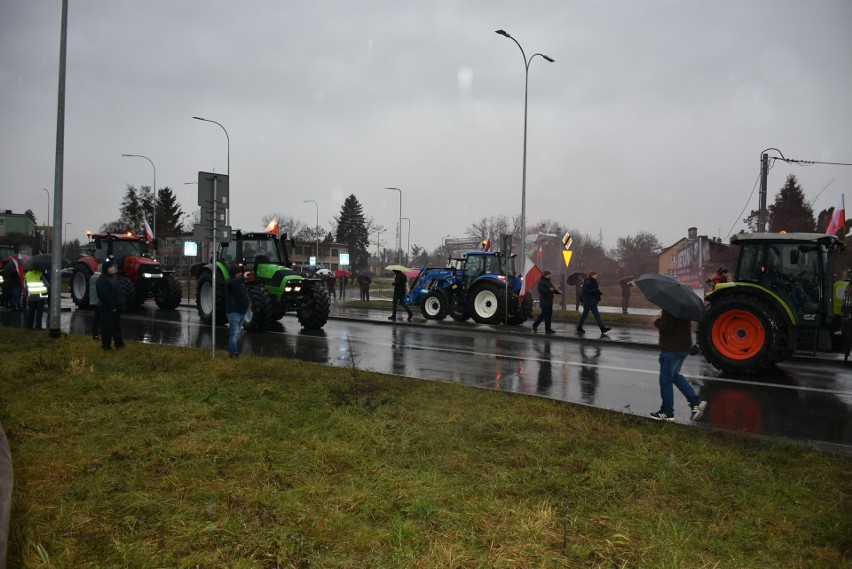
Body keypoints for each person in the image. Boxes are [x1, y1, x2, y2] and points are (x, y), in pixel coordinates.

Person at [650, 310, 707, 422]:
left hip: (672, 349)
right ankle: (696, 402)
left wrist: (656, 321)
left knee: (665, 380)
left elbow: (668, 328)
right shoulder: (683, 308)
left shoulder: (670, 308)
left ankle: (667, 412)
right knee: (675, 375)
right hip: (683, 347)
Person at [95, 258, 126, 350]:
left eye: (113, 267)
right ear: (106, 269)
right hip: (108, 309)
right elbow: (105, 295)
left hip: (115, 308)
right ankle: (106, 345)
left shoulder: (112, 278)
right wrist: (112, 306)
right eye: (111, 267)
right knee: (107, 327)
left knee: (116, 327)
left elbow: (117, 292)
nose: (113, 268)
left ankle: (119, 343)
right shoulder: (103, 280)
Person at [225, 263, 250, 358]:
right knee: (234, 334)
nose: (240, 273)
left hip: (241, 313)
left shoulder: (240, 284)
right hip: (234, 312)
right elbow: (233, 283)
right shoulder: (229, 282)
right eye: (238, 272)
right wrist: (243, 278)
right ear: (234, 273)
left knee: (236, 334)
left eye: (241, 272)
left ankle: (232, 348)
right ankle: (233, 353)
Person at [89, 265, 101, 340]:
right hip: (98, 301)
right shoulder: (98, 278)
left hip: (94, 300)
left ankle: (95, 334)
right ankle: (96, 334)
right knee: (99, 319)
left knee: (97, 319)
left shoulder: (93, 277)